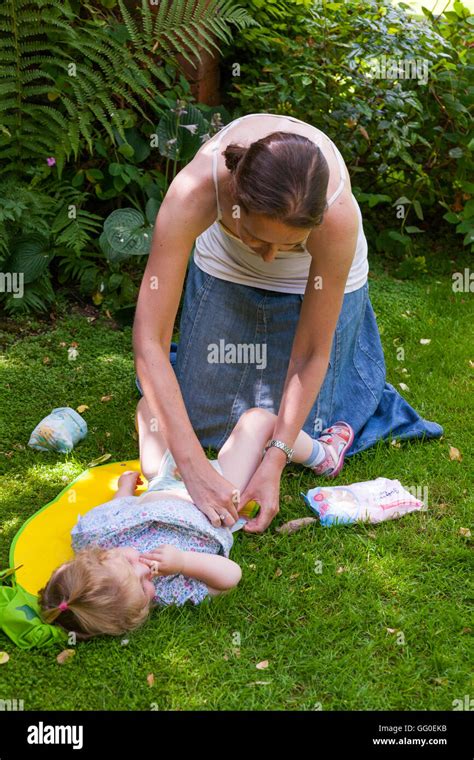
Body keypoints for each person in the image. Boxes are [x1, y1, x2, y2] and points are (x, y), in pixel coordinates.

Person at [133, 112, 442, 535]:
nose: (269, 256)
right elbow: (149, 340)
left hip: (312, 278)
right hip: (227, 268)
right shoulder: (195, 191)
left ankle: (330, 424)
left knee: (305, 426)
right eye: (258, 238)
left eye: (287, 243)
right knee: (202, 425)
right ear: (235, 199)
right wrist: (191, 469)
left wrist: (277, 457)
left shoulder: (336, 218)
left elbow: (313, 351)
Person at [38, 398, 352, 639]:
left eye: (133, 567)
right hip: (223, 495)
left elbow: (118, 512)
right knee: (259, 422)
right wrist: (184, 563)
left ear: (103, 555)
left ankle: (193, 425)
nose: (148, 571)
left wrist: (124, 490)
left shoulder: (97, 536)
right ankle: (322, 455)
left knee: (150, 405)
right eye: (145, 588)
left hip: (166, 480)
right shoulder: (171, 587)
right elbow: (230, 576)